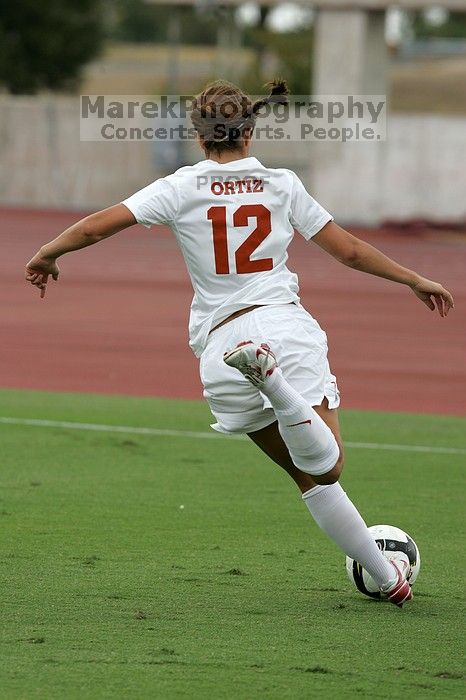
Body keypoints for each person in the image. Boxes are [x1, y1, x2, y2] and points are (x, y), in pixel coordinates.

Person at [26, 79, 454, 607]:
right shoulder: (281, 184)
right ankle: (275, 382)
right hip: (282, 327)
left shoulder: (180, 187)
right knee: (328, 465)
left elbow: (96, 228)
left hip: (220, 349)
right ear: (249, 133)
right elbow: (349, 250)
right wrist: (413, 278)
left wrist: (47, 253)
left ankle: (389, 581)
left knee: (313, 481)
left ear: (199, 136)